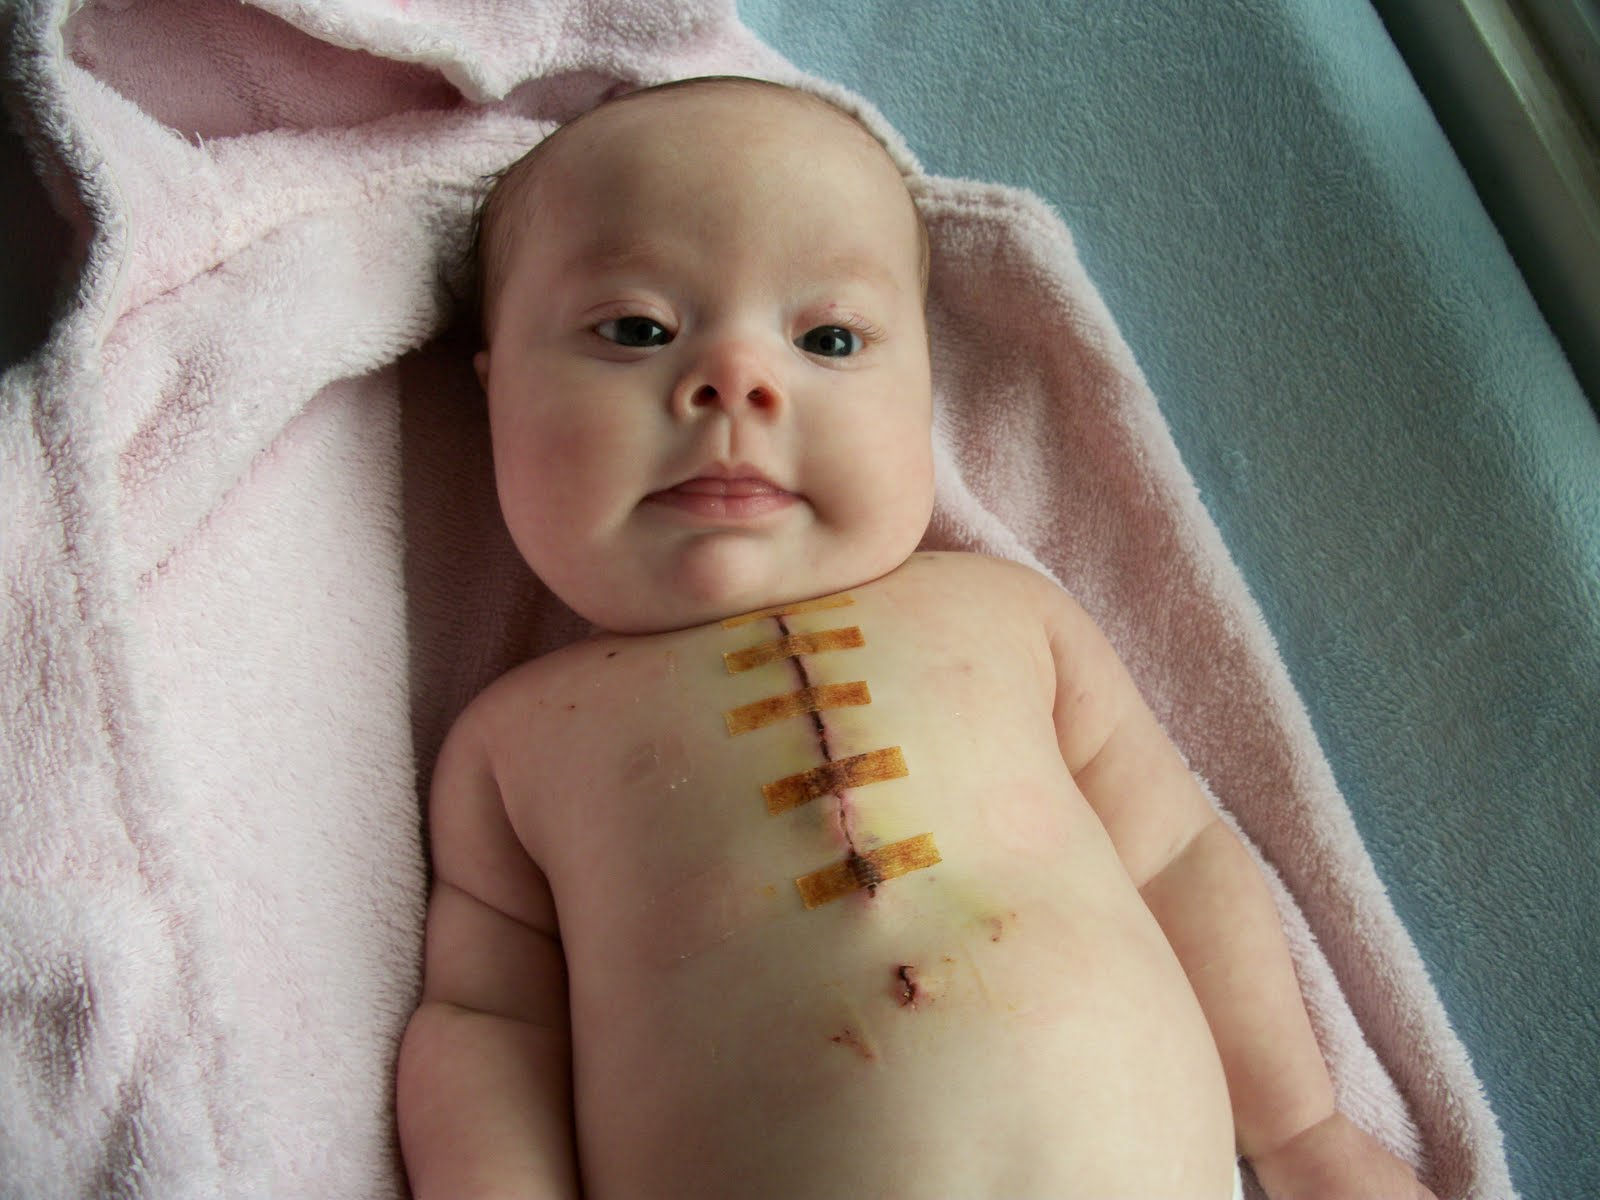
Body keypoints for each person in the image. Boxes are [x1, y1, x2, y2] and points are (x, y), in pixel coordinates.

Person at [395, 75, 1436, 1200]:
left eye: (830, 337)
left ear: (925, 394)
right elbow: (484, 1027)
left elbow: (1179, 859)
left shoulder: (1011, 618)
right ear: (497, 395)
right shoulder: (514, 745)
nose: (735, 380)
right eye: (637, 328)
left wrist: (1303, 1135)